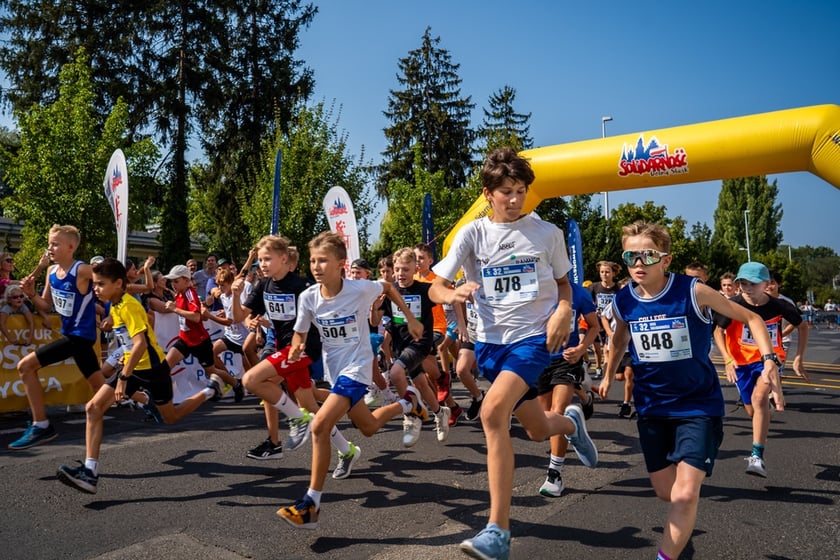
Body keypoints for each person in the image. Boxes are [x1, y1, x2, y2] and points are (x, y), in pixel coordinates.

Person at [428, 147, 598, 560]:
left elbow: (563, 284)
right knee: (538, 429)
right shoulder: (472, 234)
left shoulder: (547, 234)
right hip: (490, 344)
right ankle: (572, 424)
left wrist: (562, 311)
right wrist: (453, 292)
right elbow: (434, 287)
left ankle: (498, 530)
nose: (515, 199)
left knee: (491, 413)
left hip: (533, 340)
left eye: (521, 190)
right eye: (507, 191)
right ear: (488, 193)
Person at [598, 221, 782, 560]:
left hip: (697, 406)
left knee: (684, 495)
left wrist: (769, 359)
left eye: (647, 255)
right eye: (630, 255)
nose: (638, 263)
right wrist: (609, 373)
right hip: (652, 407)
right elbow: (620, 336)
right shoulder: (625, 300)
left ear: (665, 260)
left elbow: (753, 320)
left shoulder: (693, 291)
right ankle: (681, 534)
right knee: (667, 492)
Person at [276, 231, 427, 529]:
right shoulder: (308, 297)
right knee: (368, 427)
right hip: (336, 370)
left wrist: (410, 318)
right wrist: (296, 345)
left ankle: (311, 503)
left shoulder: (359, 289)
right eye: (313, 261)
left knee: (320, 425)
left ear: (341, 264)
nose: (316, 267)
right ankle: (408, 403)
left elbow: (388, 286)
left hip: (358, 367)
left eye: (323, 261)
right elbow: (300, 331)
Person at [55, 258, 216, 494]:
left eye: (100, 284)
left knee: (170, 418)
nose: (95, 288)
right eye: (94, 283)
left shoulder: (129, 305)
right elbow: (129, 340)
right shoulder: (116, 304)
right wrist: (112, 327)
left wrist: (123, 378)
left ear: (118, 283)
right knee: (93, 408)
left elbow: (140, 343)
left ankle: (209, 390)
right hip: (133, 367)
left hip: (152, 369)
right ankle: (90, 473)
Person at [9, 225, 105, 450]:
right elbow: (46, 305)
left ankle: (42, 425)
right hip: (73, 337)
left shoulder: (81, 270)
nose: (50, 247)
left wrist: (115, 305)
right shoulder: (52, 272)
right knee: (102, 388)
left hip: (80, 337)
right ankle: (146, 400)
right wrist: (31, 294)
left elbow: (107, 280)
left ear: (70, 247)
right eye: (50, 243)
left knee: (25, 367)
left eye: (55, 244)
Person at [713, 261, 809, 478]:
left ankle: (757, 456)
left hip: (770, 359)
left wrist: (798, 358)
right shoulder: (733, 305)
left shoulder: (779, 306)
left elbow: (802, 326)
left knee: (759, 399)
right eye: (743, 283)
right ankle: (765, 414)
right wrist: (727, 359)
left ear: (767, 284)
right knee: (752, 409)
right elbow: (718, 332)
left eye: (753, 284)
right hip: (741, 362)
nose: (747, 288)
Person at [237, 235, 326, 461]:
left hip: (302, 348)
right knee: (308, 405)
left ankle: (292, 423)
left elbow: (322, 314)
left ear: (285, 259)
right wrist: (237, 296)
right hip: (281, 346)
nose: (262, 265)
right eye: (259, 260)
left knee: (252, 380)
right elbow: (238, 317)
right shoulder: (264, 285)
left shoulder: (303, 286)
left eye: (267, 259)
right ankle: (346, 449)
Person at [536, 280, 600, 497]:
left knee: (557, 411)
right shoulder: (530, 287)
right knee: (543, 424)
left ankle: (555, 474)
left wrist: (581, 348)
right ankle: (573, 425)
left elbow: (594, 326)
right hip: (538, 360)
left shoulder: (578, 293)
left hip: (566, 359)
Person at [384, 247, 451, 447]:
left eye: (405, 269)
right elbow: (375, 319)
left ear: (415, 269)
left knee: (396, 374)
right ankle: (440, 412)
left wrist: (459, 306)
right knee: (421, 383)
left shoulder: (424, 290)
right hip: (400, 345)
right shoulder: (390, 291)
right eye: (397, 269)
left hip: (421, 342)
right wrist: (374, 306)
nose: (400, 274)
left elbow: (446, 296)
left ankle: (411, 416)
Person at [161, 264, 230, 401]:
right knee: (165, 367)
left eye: (176, 281)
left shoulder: (189, 293)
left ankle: (235, 384)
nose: (173, 284)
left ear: (186, 281)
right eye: (172, 281)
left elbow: (196, 316)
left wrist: (175, 309)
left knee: (211, 371)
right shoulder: (180, 294)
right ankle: (161, 399)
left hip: (199, 341)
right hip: (185, 340)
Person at [588, 260, 621, 378]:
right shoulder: (594, 287)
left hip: (612, 323)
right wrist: (592, 310)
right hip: (597, 322)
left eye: (607, 272)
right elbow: (588, 302)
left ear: (613, 273)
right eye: (602, 272)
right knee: (597, 349)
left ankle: (608, 372)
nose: (604, 274)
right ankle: (598, 367)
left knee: (607, 349)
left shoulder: (618, 288)